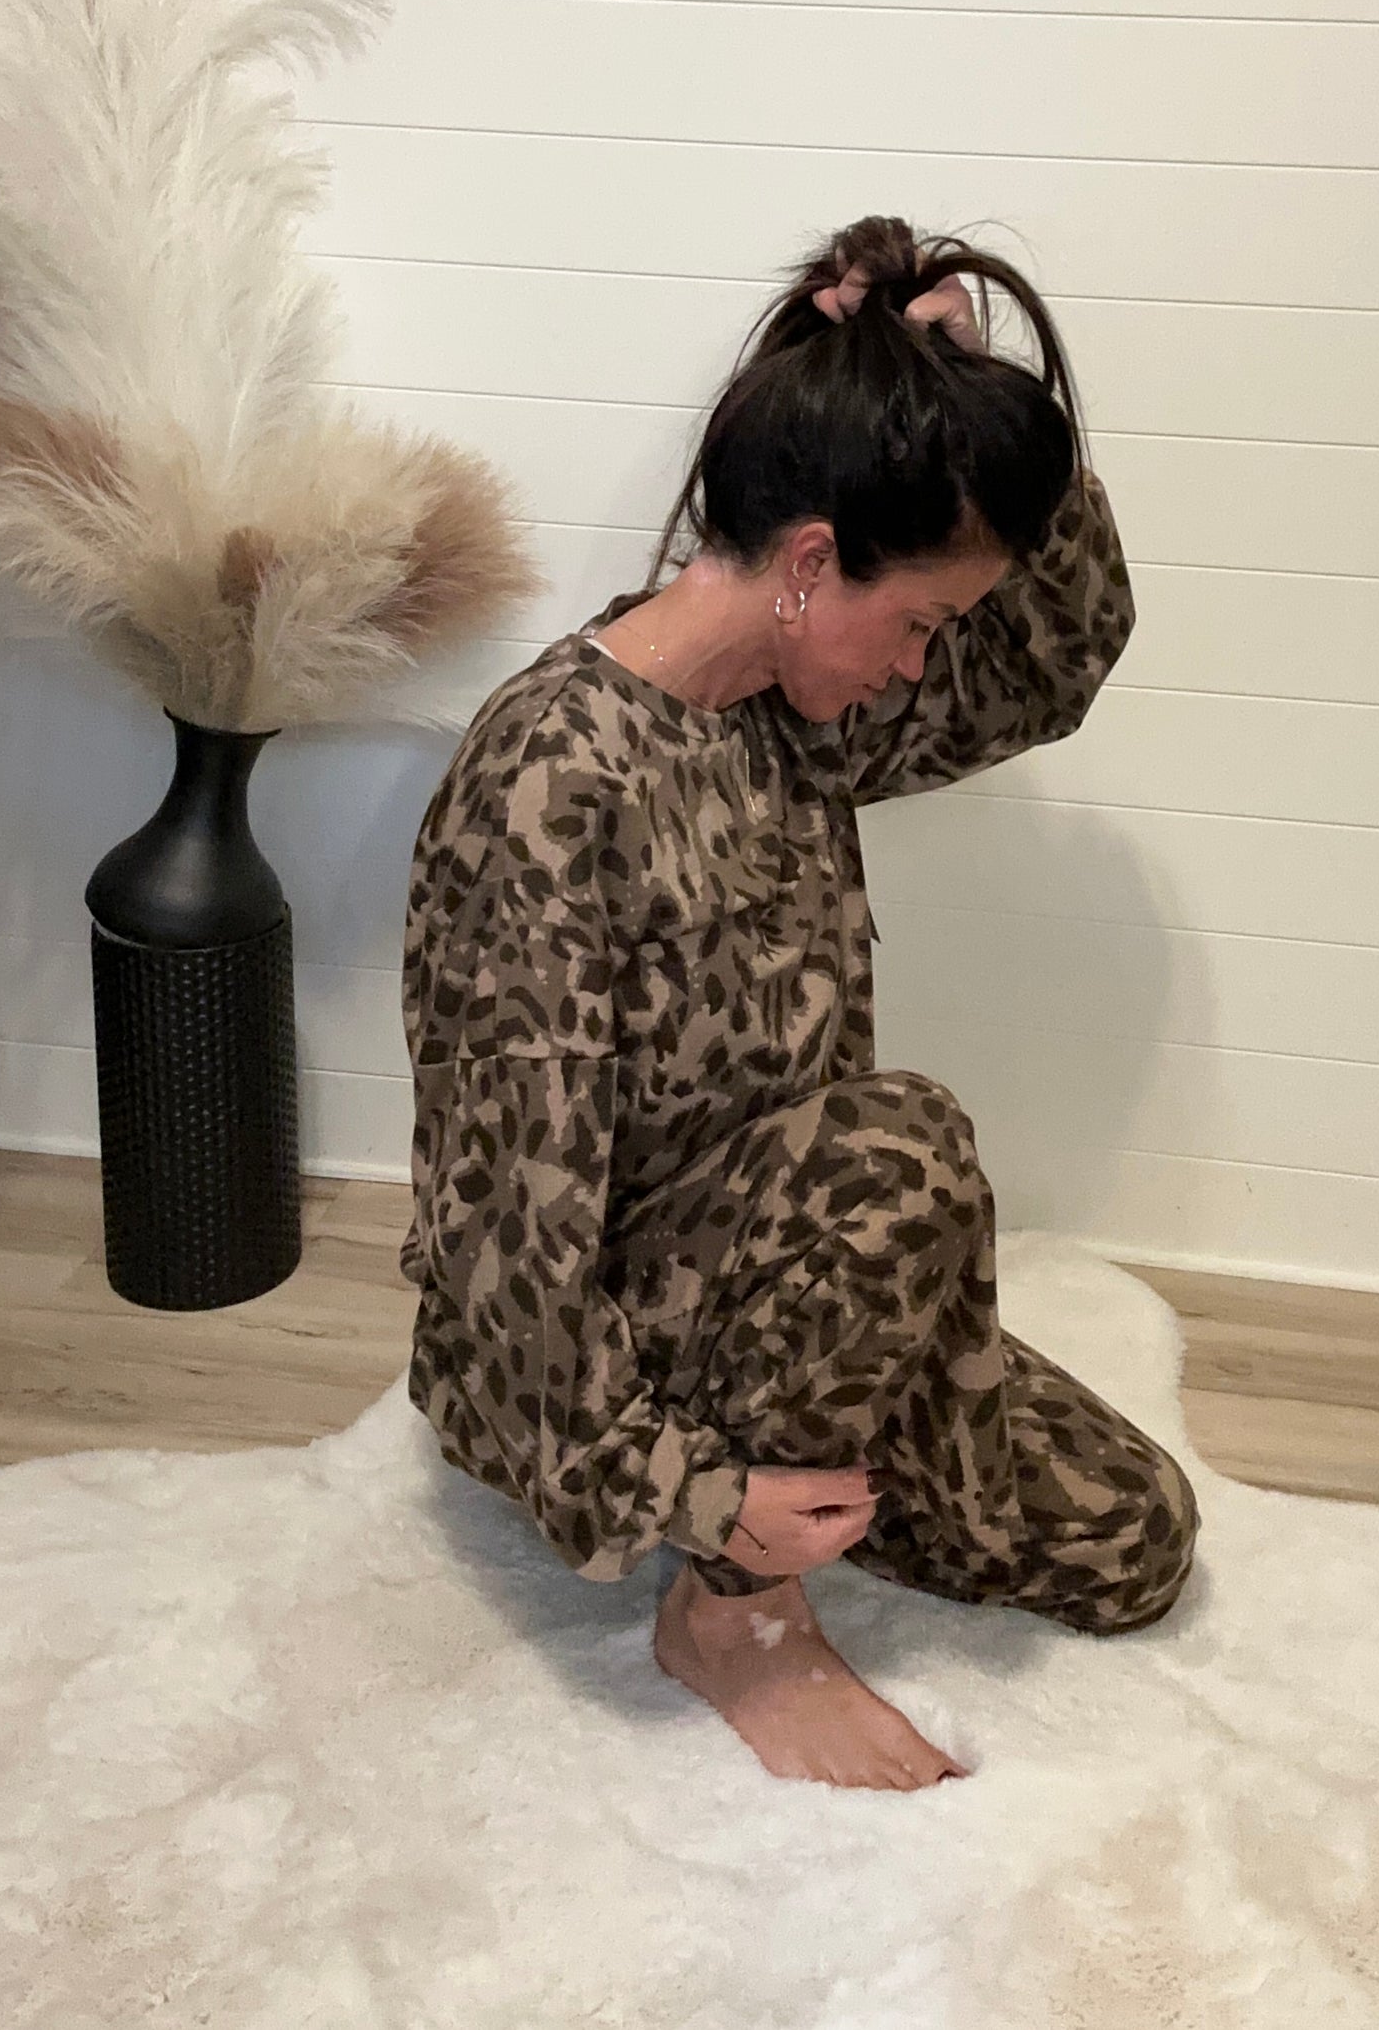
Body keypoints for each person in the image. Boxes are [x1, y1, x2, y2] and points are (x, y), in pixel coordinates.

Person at [398, 213, 1199, 1792]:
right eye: (918, 626)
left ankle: (813, 1445)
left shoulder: (793, 712)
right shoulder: (551, 782)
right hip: (612, 1352)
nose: (919, 668)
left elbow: (1055, 661)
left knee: (1134, 1540)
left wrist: (957, 375)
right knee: (901, 1151)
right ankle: (734, 1619)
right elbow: (508, 1238)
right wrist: (692, 1499)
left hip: (816, 1297)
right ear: (812, 562)